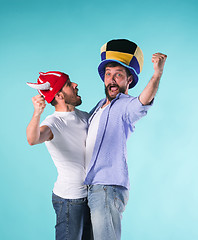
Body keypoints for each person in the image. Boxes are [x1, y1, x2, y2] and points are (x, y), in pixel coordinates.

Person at [85, 39, 167, 240]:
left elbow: (142, 102)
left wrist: (157, 74)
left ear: (129, 80)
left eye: (118, 75)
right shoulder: (98, 108)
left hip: (107, 187)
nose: (112, 80)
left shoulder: (126, 106)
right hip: (89, 187)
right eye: (108, 74)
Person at [26, 71, 93, 240]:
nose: (75, 85)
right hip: (69, 200)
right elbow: (33, 139)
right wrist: (37, 114)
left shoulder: (83, 116)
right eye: (70, 84)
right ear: (60, 95)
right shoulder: (53, 122)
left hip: (90, 197)